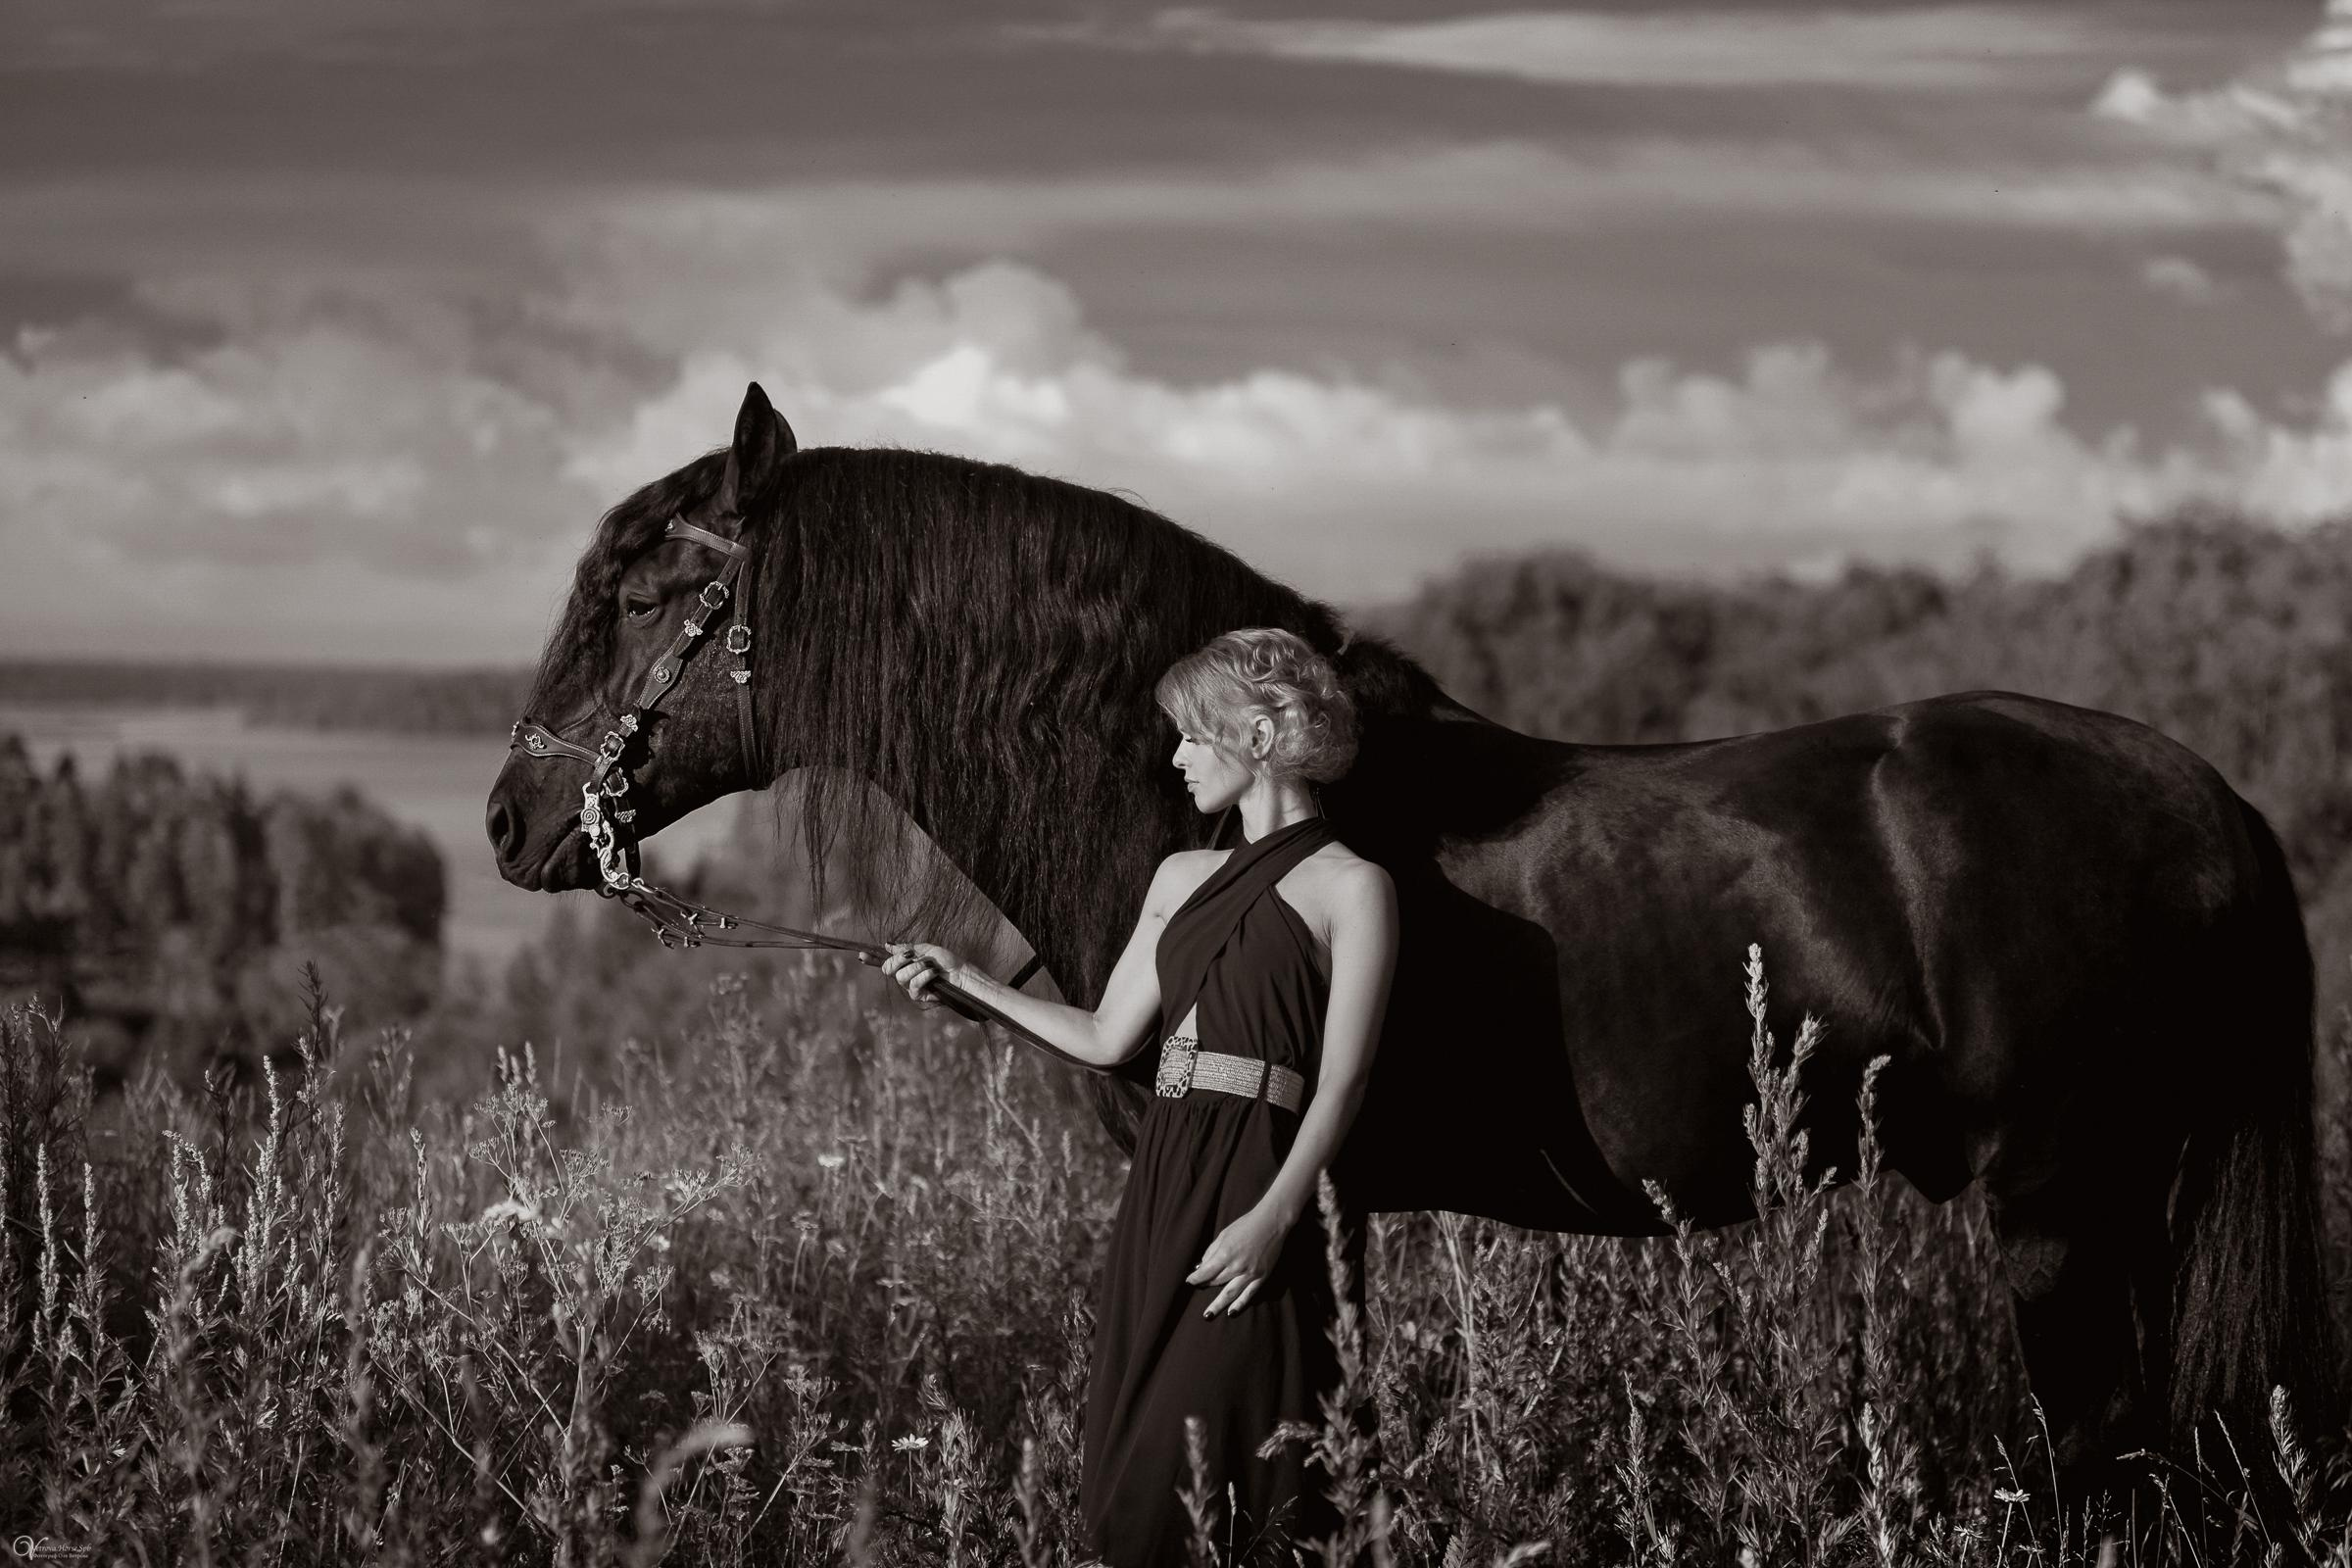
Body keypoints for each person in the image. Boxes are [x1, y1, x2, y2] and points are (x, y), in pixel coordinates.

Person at [877, 626, 1398, 1566]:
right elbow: (1107, 1038)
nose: (1177, 757)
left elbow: (1345, 1080)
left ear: (1262, 736)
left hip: (1260, 1185)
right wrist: (971, 983)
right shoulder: (1179, 877)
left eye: (1195, 736)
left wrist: (1277, 1218)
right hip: (1163, 1181)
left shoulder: (1355, 888)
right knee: (1131, 1482)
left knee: (1229, 1469)